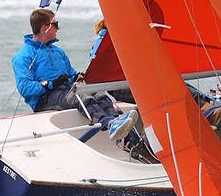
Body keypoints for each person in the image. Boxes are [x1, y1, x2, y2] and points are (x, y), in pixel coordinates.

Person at [12, 8, 137, 140]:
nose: (57, 29)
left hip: (65, 91)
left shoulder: (58, 52)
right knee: (80, 96)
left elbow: (70, 74)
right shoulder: (23, 56)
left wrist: (77, 77)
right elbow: (24, 88)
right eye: (55, 24)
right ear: (45, 28)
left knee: (97, 92)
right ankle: (110, 124)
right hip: (45, 98)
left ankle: (119, 122)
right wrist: (49, 84)